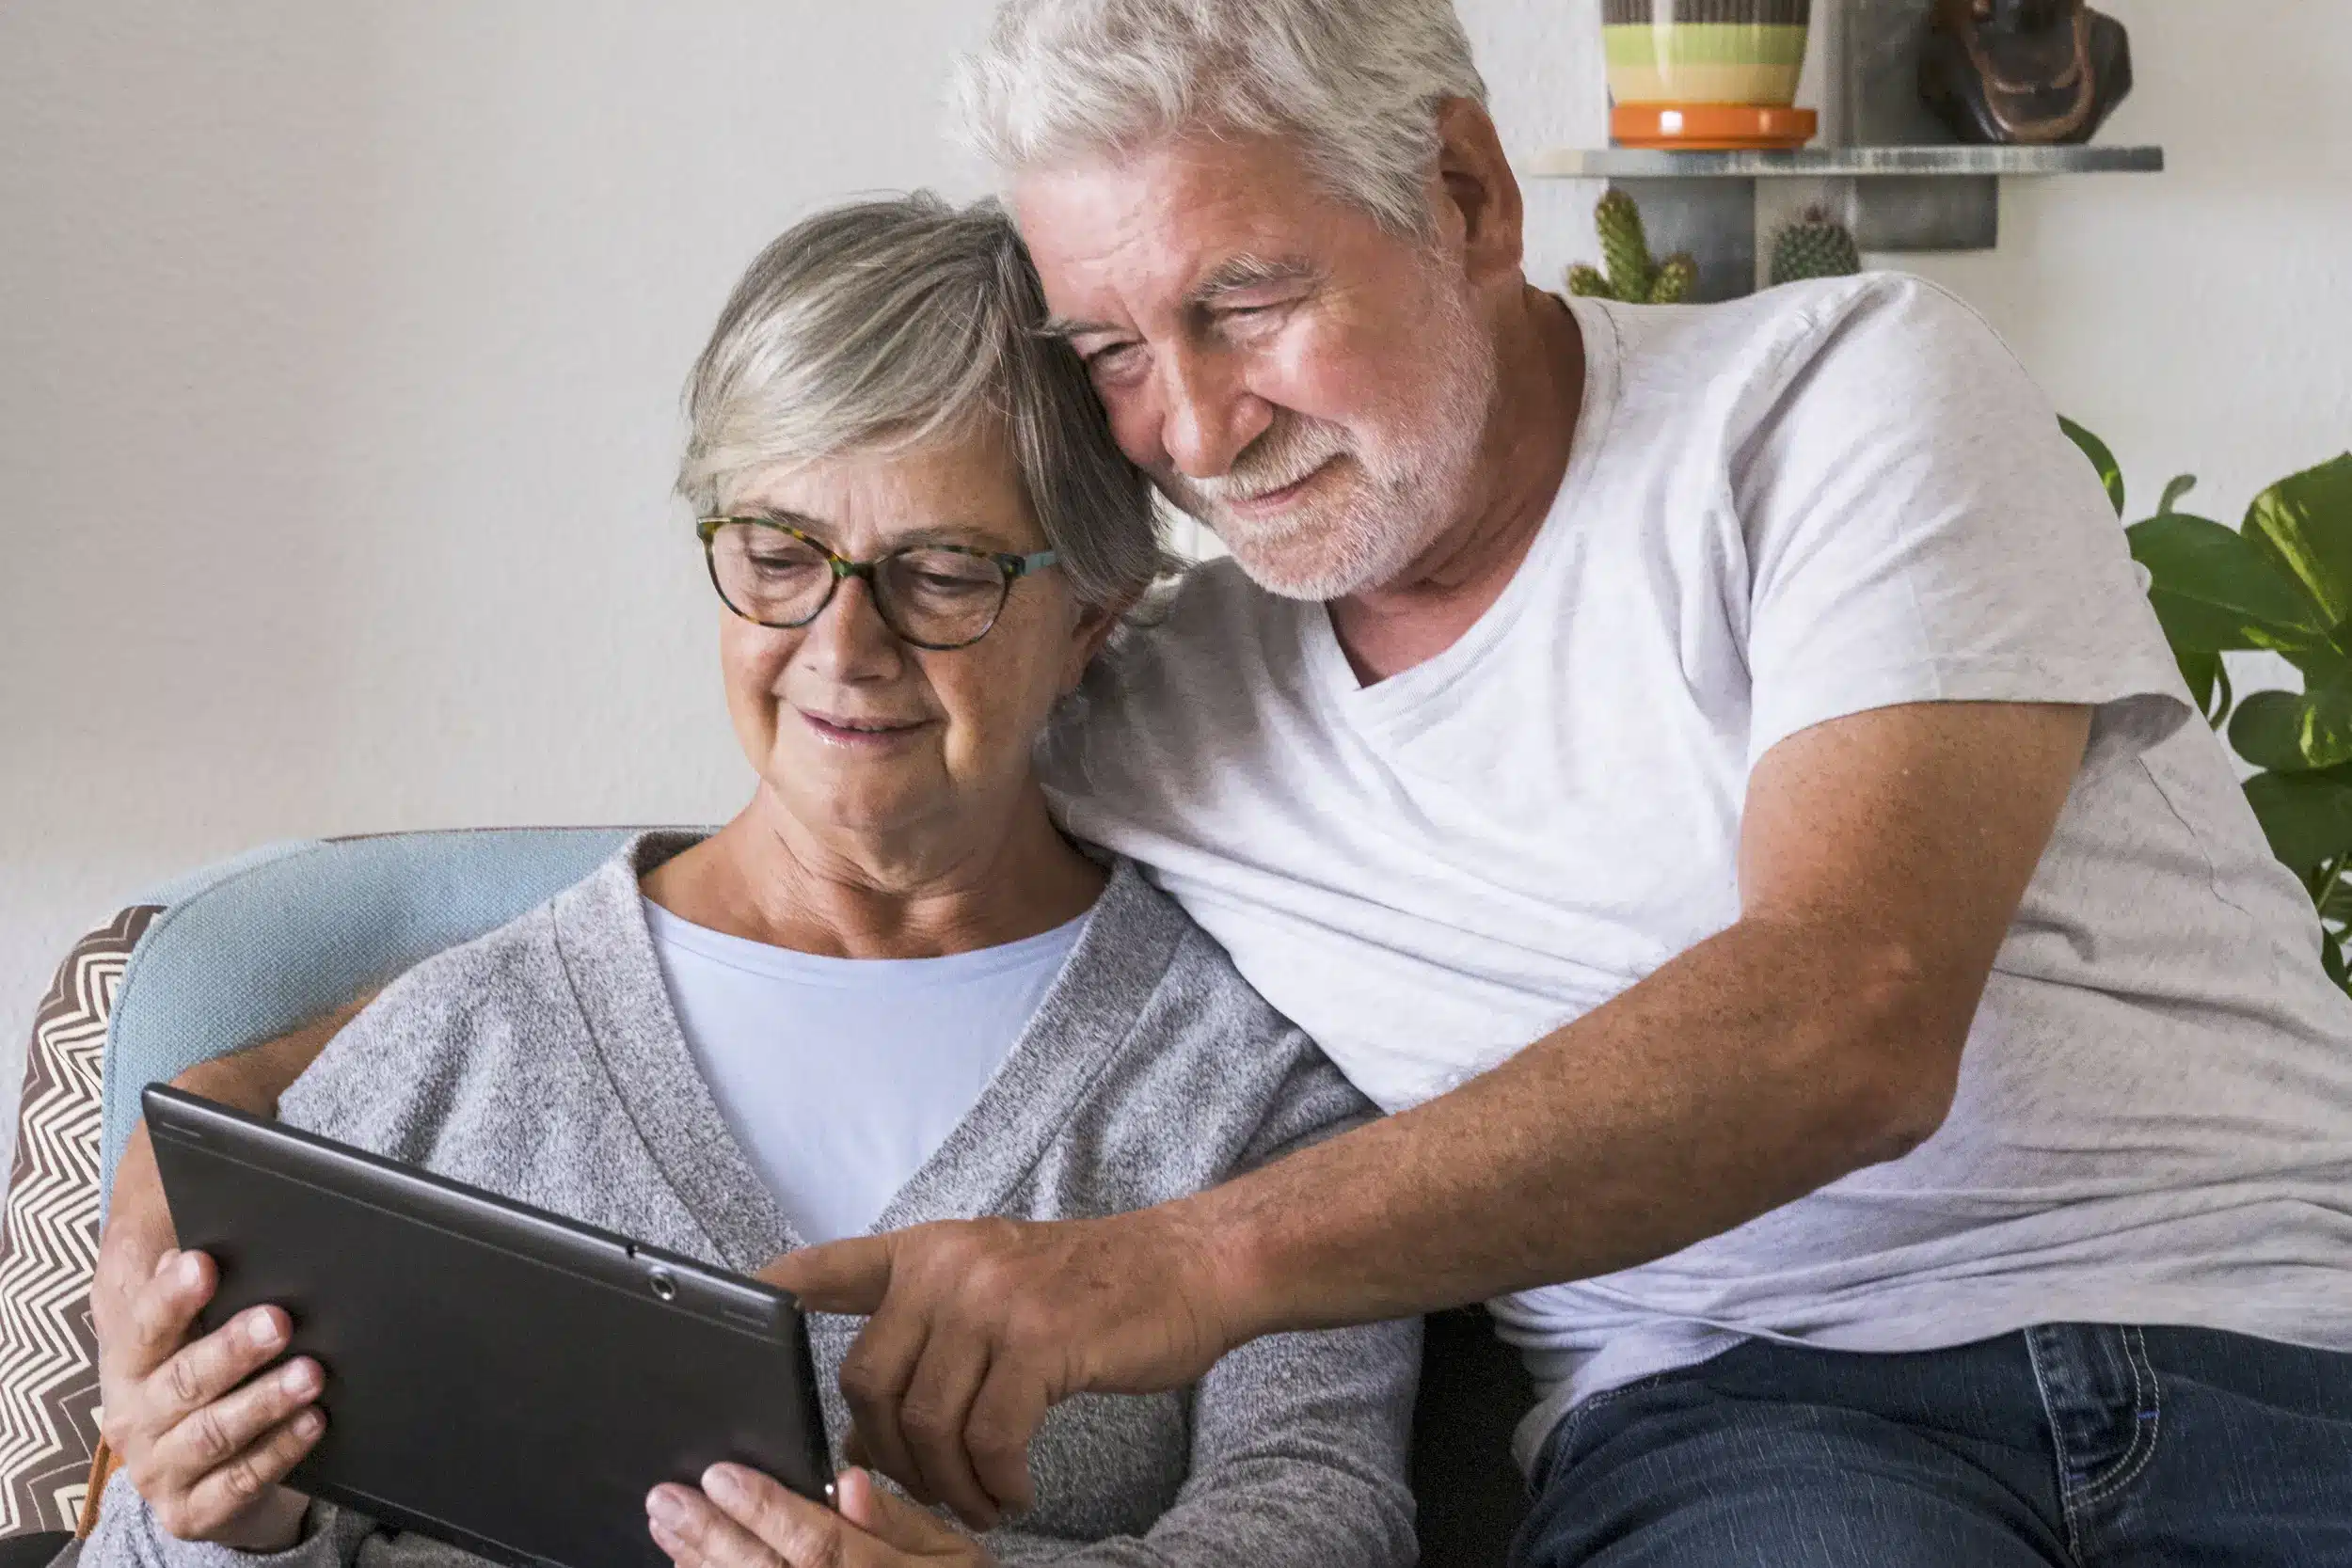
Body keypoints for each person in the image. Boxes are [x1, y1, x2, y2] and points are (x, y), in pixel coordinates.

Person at [741, 2, 2347, 1564]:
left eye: (1246, 304)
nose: (1197, 434)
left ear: (1467, 195)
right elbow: (844, 768)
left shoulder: (1832, 400)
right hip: (1755, 1421)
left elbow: (1853, 1016)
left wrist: (1188, 1264)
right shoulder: (1151, 708)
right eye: (1111, 352)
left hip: (2269, 1338)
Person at [80, 195, 1417, 1568]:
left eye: (941, 574)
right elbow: (136, 1542)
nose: (842, 646)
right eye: (778, 556)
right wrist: (234, 1525)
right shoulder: (456, 1045)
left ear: (1092, 615)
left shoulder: (1251, 1083)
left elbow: (1329, 1518)